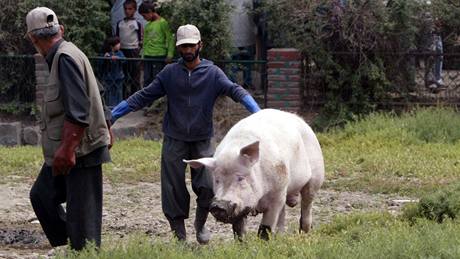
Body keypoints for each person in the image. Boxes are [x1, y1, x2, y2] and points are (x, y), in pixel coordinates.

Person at [110, 24, 261, 244]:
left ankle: (200, 227)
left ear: (200, 45)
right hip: (174, 139)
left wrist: (258, 114)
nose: (188, 50)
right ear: (179, 48)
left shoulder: (212, 73)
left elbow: (235, 90)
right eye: (183, 46)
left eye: (191, 45)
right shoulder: (170, 73)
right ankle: (179, 237)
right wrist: (113, 115)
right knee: (172, 189)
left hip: (202, 139)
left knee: (208, 187)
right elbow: (142, 96)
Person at [26, 7, 113, 251]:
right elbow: (97, 89)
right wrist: (106, 124)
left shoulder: (65, 58)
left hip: (80, 150)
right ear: (60, 30)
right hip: (70, 147)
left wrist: (67, 150)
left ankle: (82, 251)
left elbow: (78, 111)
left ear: (33, 39)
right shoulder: (68, 53)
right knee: (42, 196)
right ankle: (70, 246)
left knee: (83, 217)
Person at [138, 1, 174, 87]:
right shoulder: (148, 25)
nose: (144, 18)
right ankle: (147, 99)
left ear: (150, 11)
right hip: (147, 57)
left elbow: (170, 39)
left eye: (144, 15)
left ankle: (158, 100)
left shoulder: (163, 23)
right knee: (146, 80)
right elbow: (145, 43)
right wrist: (142, 57)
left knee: (157, 80)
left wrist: (170, 55)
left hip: (158, 56)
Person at [227, 0, 258, 92]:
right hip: (246, 31)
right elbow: (253, 11)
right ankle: (247, 82)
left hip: (231, 33)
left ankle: (232, 85)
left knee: (233, 62)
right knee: (247, 61)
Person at [115, 0, 143, 97]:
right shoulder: (120, 23)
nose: (127, 11)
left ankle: (135, 95)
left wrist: (139, 50)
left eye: (130, 9)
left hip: (133, 50)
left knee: (135, 73)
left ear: (134, 10)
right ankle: (122, 94)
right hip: (122, 50)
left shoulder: (137, 24)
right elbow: (117, 38)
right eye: (125, 9)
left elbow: (140, 38)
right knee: (123, 72)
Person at [101, 36, 126, 107]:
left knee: (118, 92)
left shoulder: (120, 53)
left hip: (119, 76)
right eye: (118, 43)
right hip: (109, 77)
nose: (119, 45)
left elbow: (124, 60)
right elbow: (101, 64)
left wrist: (119, 58)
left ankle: (119, 106)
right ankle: (109, 106)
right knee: (109, 92)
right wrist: (105, 58)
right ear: (112, 46)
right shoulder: (106, 53)